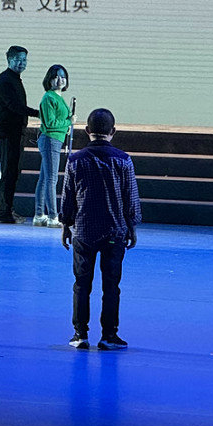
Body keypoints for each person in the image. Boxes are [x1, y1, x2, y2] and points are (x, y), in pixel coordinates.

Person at [60, 107, 141, 350]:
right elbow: (130, 198)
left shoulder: (75, 160)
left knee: (81, 284)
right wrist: (132, 226)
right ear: (113, 131)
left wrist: (65, 225)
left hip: (83, 231)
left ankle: (80, 334)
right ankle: (109, 335)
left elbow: (68, 196)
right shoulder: (123, 160)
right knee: (111, 286)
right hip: (114, 232)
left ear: (87, 130)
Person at [0, 45, 38, 223]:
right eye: (18, 59)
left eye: (24, 60)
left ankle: (8, 210)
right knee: (9, 172)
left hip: (16, 132)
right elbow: (14, 106)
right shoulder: (5, 79)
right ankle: (4, 213)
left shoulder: (15, 79)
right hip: (8, 133)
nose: (22, 63)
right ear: (9, 60)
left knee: (13, 172)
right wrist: (38, 113)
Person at [34, 64, 71, 227]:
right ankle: (52, 216)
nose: (60, 80)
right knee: (51, 179)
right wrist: (68, 122)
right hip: (50, 140)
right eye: (56, 77)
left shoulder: (58, 97)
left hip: (54, 140)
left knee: (44, 178)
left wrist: (66, 124)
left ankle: (39, 215)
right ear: (49, 80)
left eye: (63, 77)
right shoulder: (49, 97)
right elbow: (50, 123)